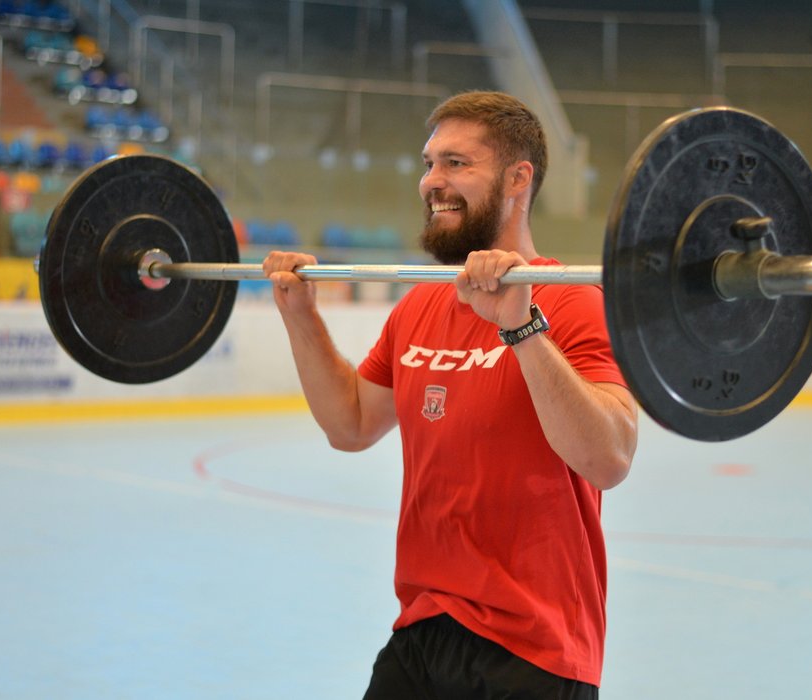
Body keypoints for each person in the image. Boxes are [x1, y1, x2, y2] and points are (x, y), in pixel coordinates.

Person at [263, 91, 638, 698]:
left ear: (519, 178)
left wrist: (520, 327)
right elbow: (351, 424)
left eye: (457, 164)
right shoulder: (420, 305)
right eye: (429, 163)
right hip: (423, 629)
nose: (432, 182)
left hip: (534, 648)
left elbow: (610, 459)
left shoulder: (571, 302)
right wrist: (301, 316)